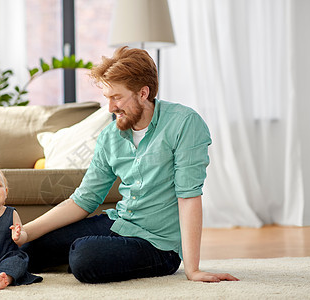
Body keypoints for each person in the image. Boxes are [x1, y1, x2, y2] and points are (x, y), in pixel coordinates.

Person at [20, 46, 239, 283]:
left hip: (158, 244)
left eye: (117, 97)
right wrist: (26, 232)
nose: (111, 108)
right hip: (120, 223)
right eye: (107, 98)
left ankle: (88, 254)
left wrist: (192, 269)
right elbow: (83, 200)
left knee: (83, 257)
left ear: (143, 93)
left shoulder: (184, 124)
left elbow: (188, 197)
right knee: (30, 248)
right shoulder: (110, 136)